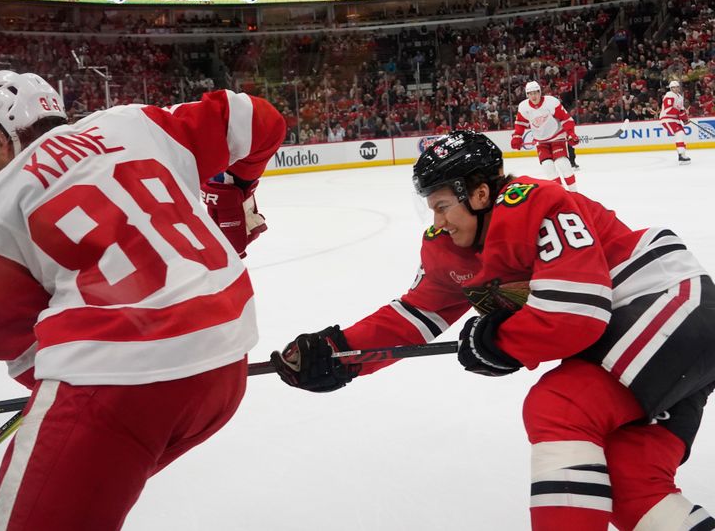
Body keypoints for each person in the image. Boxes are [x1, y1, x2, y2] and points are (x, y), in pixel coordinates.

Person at [272, 131, 715, 530]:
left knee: (558, 406)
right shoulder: (451, 250)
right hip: (655, 347)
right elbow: (413, 316)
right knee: (630, 486)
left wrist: (496, 341)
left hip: (670, 305)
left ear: (481, 193)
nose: (438, 221)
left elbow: (579, 314)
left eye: (444, 205)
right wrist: (339, 352)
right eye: (431, 208)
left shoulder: (535, 203)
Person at [0, 70, 285, 530]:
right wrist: (230, 208)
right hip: (226, 363)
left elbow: (23, 353)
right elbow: (260, 119)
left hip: (115, 386)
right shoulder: (134, 122)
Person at [510, 81, 580, 191]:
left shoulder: (551, 102)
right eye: (530, 93)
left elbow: (565, 118)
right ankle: (561, 193)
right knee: (548, 167)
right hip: (541, 142)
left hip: (557, 137)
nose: (533, 96)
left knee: (562, 163)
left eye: (535, 93)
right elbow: (520, 124)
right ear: (527, 95)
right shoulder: (523, 107)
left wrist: (571, 133)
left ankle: (574, 192)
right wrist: (517, 137)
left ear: (540, 92)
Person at [660, 80, 691, 164]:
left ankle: (682, 155)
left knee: (682, 135)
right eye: (674, 87)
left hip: (675, 119)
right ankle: (681, 155)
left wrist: (684, 119)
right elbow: (668, 109)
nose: (676, 88)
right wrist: (680, 114)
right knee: (679, 133)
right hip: (667, 118)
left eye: (677, 87)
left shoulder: (680, 97)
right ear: (671, 88)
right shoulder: (669, 95)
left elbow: (680, 110)